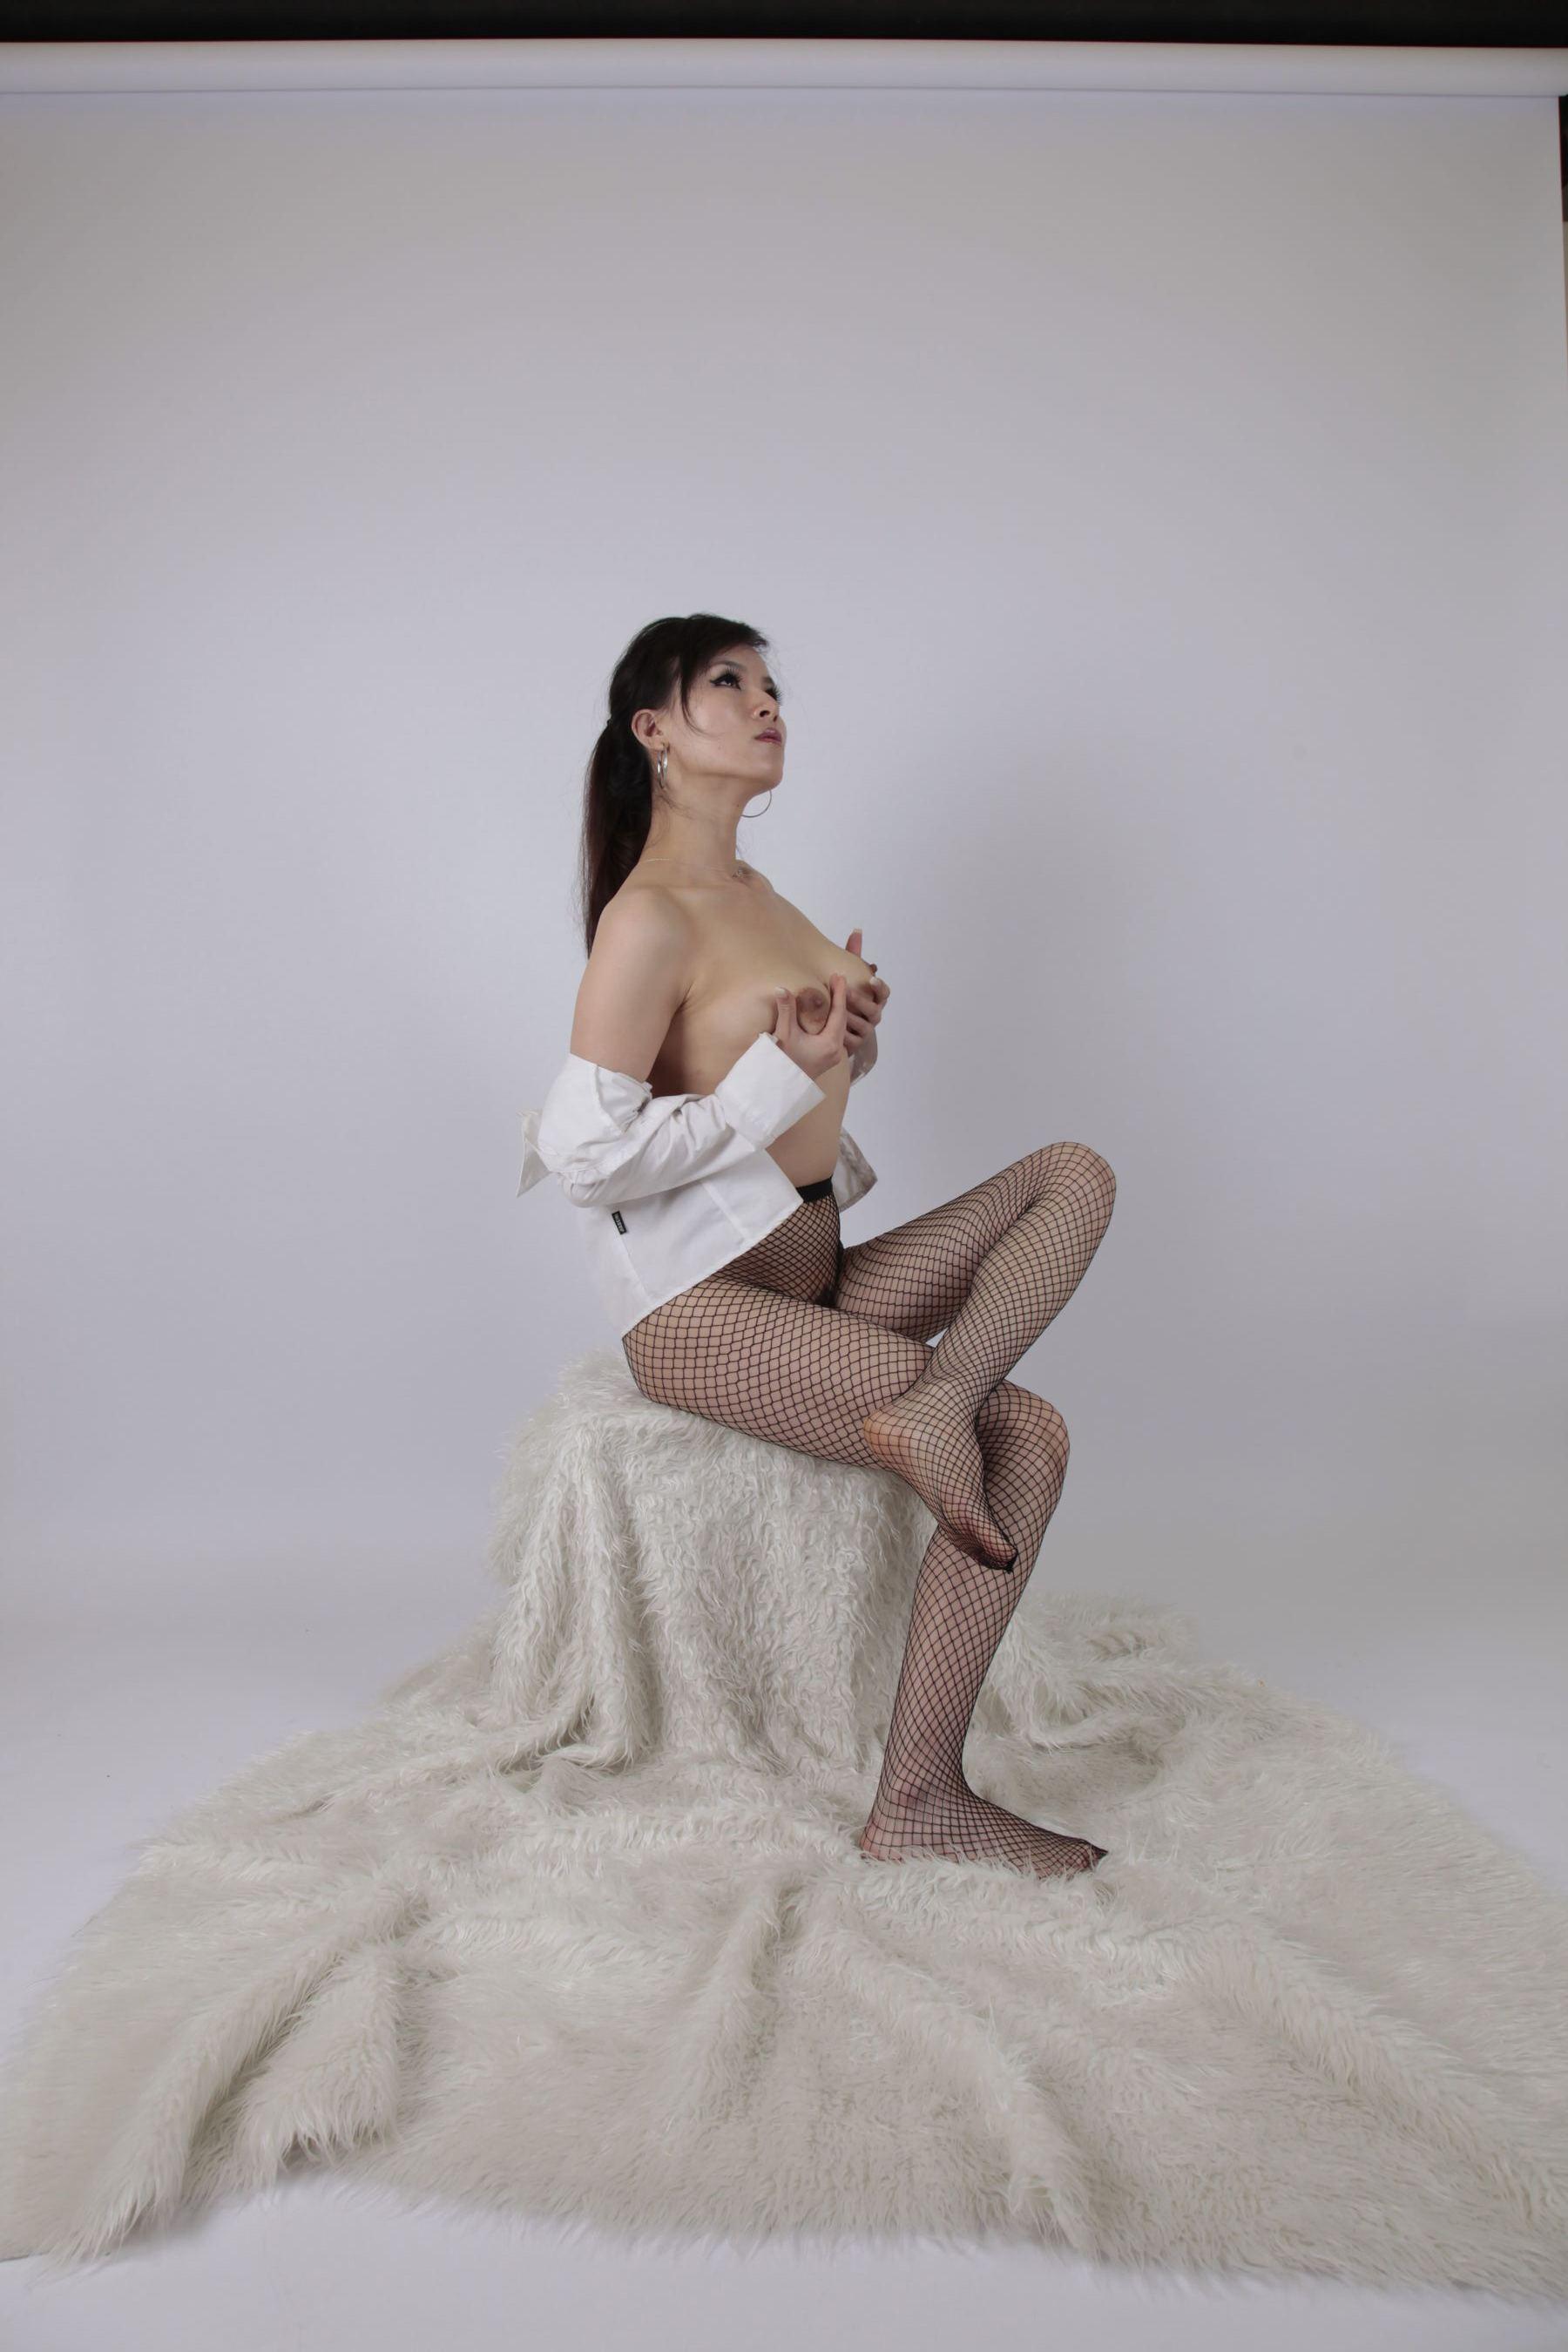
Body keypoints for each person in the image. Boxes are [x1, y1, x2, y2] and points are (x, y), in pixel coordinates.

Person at [518, 614, 1117, 1881]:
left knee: (1074, 1175)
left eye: (771, 683)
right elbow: (584, 1157)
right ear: (654, 730)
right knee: (1028, 1436)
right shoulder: (647, 918)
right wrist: (775, 1077)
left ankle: (937, 1409)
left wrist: (847, 1037)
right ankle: (920, 1802)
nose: (766, 702)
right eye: (728, 682)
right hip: (697, 1307)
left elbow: (789, 1098)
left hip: (810, 1262)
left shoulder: (759, 897)